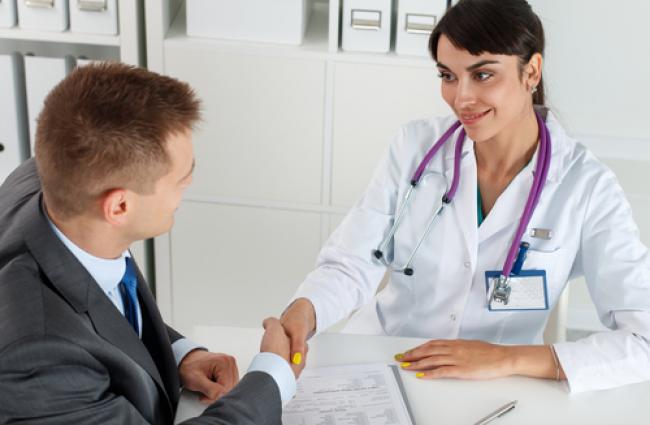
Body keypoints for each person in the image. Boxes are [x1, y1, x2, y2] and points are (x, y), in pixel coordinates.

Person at [279, 0, 650, 393]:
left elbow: (644, 339)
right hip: (383, 362)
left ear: (532, 71)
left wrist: (506, 358)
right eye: (448, 76)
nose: (462, 98)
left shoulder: (587, 188)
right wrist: (303, 313)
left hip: (495, 387)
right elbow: (352, 265)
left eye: (483, 74)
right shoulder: (414, 148)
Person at [0, 63, 301, 424]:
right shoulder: (38, 359)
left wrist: (176, 355)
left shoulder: (58, 182)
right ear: (120, 206)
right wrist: (272, 376)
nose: (189, 185)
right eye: (182, 177)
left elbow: (104, 305)